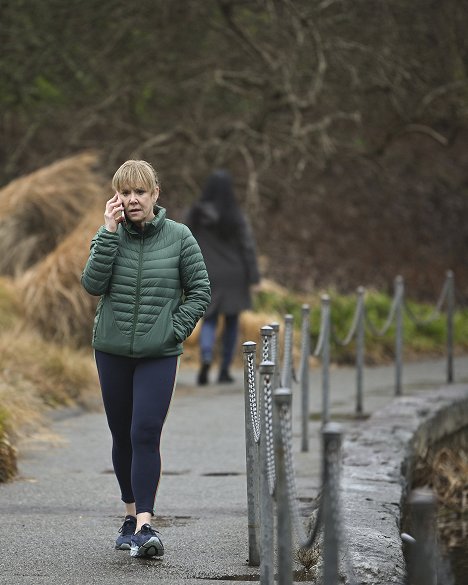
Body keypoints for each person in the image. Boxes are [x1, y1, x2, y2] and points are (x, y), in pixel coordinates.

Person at [81, 160, 210, 559]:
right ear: (115, 197)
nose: (132, 199)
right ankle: (129, 513)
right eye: (125, 192)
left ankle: (146, 525)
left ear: (156, 194)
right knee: (122, 436)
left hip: (158, 355)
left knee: (145, 432)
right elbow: (92, 284)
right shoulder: (109, 236)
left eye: (140, 191)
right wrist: (107, 232)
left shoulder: (179, 237)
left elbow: (200, 291)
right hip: (112, 352)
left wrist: (172, 330)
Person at [186, 169, 260, 385]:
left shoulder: (196, 214)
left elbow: (185, 241)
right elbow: (247, 246)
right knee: (232, 322)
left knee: (208, 318)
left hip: (208, 272)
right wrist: (253, 276)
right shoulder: (235, 214)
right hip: (234, 274)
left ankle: (206, 356)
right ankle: (225, 369)